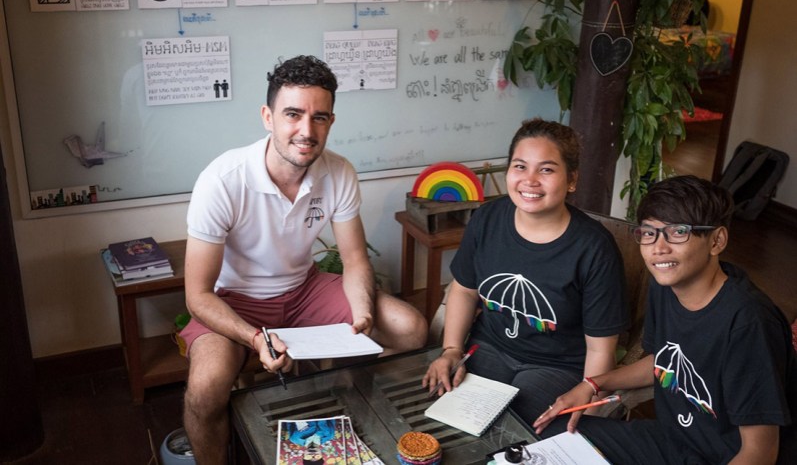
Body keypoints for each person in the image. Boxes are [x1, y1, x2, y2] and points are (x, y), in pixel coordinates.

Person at [180, 55, 427, 463]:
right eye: (293, 114)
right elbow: (198, 295)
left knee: (410, 329)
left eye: (320, 117)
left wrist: (363, 313)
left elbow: (354, 259)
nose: (307, 131)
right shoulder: (222, 180)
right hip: (234, 300)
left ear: (331, 121)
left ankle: (343, 403)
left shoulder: (339, 171)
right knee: (206, 389)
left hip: (304, 289)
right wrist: (255, 339)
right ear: (268, 117)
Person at [534, 175, 797, 464]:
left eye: (678, 232)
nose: (658, 248)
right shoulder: (665, 285)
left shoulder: (749, 322)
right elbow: (663, 361)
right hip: (672, 442)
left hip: (721, 457)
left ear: (716, 240)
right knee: (554, 432)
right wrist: (592, 385)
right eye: (649, 233)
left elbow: (760, 452)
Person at [422, 118, 629, 426]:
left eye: (546, 170)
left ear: (572, 179)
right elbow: (464, 291)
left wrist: (589, 417)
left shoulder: (594, 248)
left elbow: (600, 348)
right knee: (441, 411)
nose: (530, 180)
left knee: (513, 429)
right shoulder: (488, 219)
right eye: (520, 166)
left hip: (556, 366)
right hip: (488, 348)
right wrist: (451, 350)